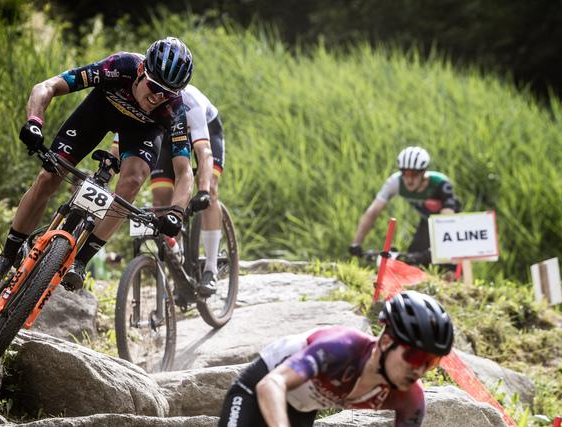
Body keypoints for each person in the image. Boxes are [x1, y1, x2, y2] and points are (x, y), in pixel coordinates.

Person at [0, 37, 195, 291]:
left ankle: (80, 262)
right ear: (141, 70)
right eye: (154, 86)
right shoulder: (119, 66)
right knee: (49, 177)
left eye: (167, 93)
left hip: (143, 132)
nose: (158, 97)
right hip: (99, 112)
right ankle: (6, 257)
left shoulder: (174, 108)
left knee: (132, 182)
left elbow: (184, 171)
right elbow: (47, 86)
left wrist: (176, 213)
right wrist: (34, 122)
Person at [218, 291, 454, 427]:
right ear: (385, 342)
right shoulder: (342, 348)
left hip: (300, 410)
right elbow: (270, 385)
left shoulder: (411, 399)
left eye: (431, 362)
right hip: (254, 391)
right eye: (415, 356)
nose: (419, 370)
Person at [113, 83, 225, 296]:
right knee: (161, 201)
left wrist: (202, 191)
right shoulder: (141, 100)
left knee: (210, 191)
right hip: (168, 135)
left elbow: (204, 153)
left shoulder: (189, 102)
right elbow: (118, 148)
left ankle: (211, 269)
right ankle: (177, 257)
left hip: (204, 132)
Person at [349, 146, 460, 266]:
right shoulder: (395, 182)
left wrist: (433, 251)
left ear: (423, 172)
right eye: (405, 173)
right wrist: (356, 243)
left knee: (445, 265)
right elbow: (373, 211)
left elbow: (447, 220)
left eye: (414, 174)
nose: (409, 179)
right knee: (412, 261)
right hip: (426, 221)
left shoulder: (440, 183)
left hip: (450, 224)